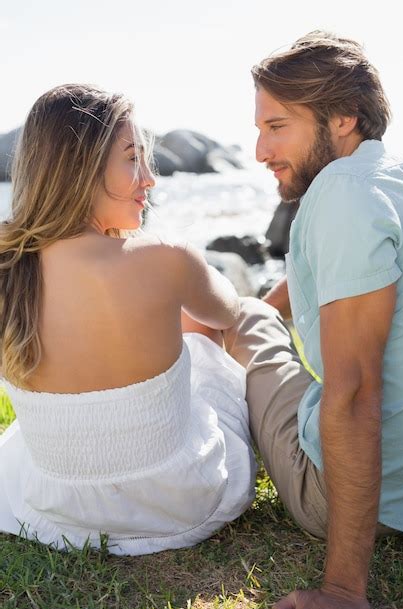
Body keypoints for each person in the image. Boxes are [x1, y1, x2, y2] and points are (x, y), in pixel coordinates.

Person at [0, 84, 256, 555]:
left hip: (58, 507)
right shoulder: (165, 258)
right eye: (133, 157)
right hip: (180, 502)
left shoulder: (7, 267)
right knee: (198, 331)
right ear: (81, 167)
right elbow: (229, 311)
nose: (150, 179)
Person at [221, 31, 403, 609]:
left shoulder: (341, 198)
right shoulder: (398, 183)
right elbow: (343, 279)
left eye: (277, 126)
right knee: (259, 311)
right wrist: (273, 303)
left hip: (354, 496)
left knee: (243, 326)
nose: (259, 150)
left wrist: (343, 591)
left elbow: (355, 391)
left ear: (343, 119)